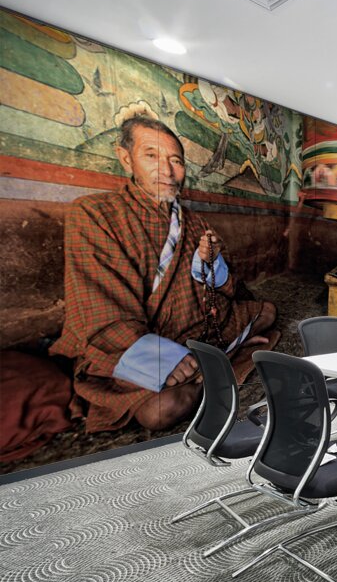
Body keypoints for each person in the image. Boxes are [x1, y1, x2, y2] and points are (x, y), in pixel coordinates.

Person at [51, 115, 277, 432]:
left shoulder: (195, 223)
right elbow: (98, 306)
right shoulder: (94, 213)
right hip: (133, 342)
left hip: (197, 329)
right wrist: (160, 358)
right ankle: (217, 362)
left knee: (267, 311)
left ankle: (211, 362)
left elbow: (225, 290)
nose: (168, 171)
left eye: (176, 160)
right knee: (162, 410)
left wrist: (212, 264)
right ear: (125, 158)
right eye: (152, 156)